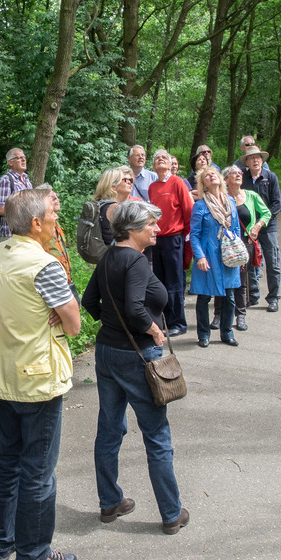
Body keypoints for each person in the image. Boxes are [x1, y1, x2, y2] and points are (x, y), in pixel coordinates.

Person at [0, 188, 82, 560]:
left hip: (4, 375)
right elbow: (74, 324)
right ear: (37, 223)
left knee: (8, 461)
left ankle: (3, 541)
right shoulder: (44, 265)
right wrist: (58, 312)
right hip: (39, 380)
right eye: (52, 216)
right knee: (39, 471)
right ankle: (34, 555)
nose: (57, 221)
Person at [81, 201, 190, 535]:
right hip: (138, 356)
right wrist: (152, 329)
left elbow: (89, 302)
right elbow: (135, 307)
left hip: (107, 352)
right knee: (157, 435)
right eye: (151, 224)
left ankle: (109, 502)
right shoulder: (136, 261)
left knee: (110, 428)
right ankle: (171, 513)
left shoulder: (109, 257)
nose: (156, 229)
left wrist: (112, 326)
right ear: (132, 230)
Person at [189, 165, 241, 347]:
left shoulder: (231, 202)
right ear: (203, 184)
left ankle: (227, 333)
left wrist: (239, 253)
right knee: (204, 296)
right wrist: (200, 257)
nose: (211, 176)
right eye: (207, 175)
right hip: (208, 256)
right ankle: (203, 335)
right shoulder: (200, 206)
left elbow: (236, 230)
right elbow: (194, 235)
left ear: (220, 179)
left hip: (228, 255)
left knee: (230, 296)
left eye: (214, 174)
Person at [145, 149, 194, 337]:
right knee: (160, 281)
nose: (160, 160)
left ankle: (178, 322)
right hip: (156, 239)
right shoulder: (153, 187)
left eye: (163, 158)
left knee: (175, 281)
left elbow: (188, 210)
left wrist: (187, 237)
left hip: (174, 238)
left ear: (170, 163)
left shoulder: (178, 183)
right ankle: (164, 319)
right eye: (157, 158)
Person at [224, 164, 271, 332]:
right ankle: (219, 315)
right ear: (226, 179)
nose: (238, 175)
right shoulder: (222, 197)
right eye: (233, 173)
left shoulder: (251, 196)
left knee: (241, 279)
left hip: (245, 244)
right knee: (224, 280)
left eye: (239, 173)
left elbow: (266, 213)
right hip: (226, 244)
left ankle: (241, 315)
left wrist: (257, 226)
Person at [240, 146, 281, 312]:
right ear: (247, 163)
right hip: (248, 227)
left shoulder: (270, 177)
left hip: (268, 226)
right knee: (249, 263)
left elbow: (277, 203)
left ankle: (273, 298)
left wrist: (261, 223)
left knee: (272, 262)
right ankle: (253, 296)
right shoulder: (242, 179)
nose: (255, 160)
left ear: (262, 160)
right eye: (251, 158)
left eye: (258, 157)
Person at [0, 148, 34, 239]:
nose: (23, 159)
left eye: (24, 157)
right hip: (10, 235)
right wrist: (24, 211)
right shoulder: (6, 180)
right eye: (19, 158)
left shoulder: (27, 180)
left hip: (27, 234)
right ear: (10, 162)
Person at [91, 167, 132, 246]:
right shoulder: (115, 208)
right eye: (125, 180)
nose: (129, 182)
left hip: (104, 254)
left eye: (131, 180)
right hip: (116, 254)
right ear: (113, 185)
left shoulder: (100, 205)